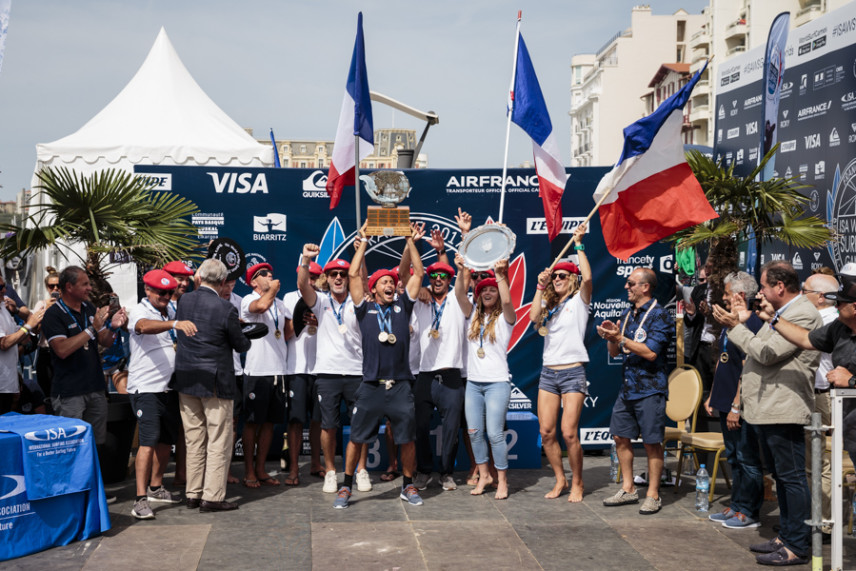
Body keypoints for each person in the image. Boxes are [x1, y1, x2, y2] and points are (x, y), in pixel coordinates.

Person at [711, 261, 821, 566]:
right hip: (768, 409)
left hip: (783, 408)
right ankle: (787, 536)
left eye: (763, 287)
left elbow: (765, 353)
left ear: (780, 287)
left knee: (792, 479)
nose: (760, 292)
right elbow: (760, 346)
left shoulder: (801, 313)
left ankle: (797, 545)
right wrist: (744, 322)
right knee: (784, 479)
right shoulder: (783, 313)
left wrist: (736, 327)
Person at [331, 222, 425, 509]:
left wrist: (409, 240)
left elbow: (418, 273)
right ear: (372, 289)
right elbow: (352, 275)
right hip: (371, 385)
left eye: (391, 282)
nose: (389, 285)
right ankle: (346, 487)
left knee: (407, 439)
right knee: (357, 438)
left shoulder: (403, 306)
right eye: (383, 282)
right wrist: (364, 241)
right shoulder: (365, 309)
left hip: (400, 385)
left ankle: (407, 485)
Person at [173, 259, 251, 512]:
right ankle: (212, 497)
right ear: (220, 283)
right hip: (216, 382)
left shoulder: (184, 301)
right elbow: (240, 345)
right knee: (218, 440)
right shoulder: (225, 307)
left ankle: (193, 494)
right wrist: (242, 333)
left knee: (194, 439)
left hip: (186, 379)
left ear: (199, 278)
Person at [597, 267, 673, 516]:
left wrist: (620, 338)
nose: (626, 287)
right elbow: (615, 352)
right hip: (628, 387)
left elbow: (651, 353)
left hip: (650, 388)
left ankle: (652, 494)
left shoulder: (660, 315)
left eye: (631, 283)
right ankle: (628, 488)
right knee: (620, 437)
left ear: (645, 287)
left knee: (652, 443)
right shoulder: (628, 314)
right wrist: (611, 337)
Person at [528, 223, 591, 502]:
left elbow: (588, 278)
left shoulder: (580, 300)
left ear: (572, 278)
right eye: (555, 277)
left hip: (573, 373)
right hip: (548, 373)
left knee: (569, 433)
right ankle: (560, 480)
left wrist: (579, 245)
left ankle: (578, 481)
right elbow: (531, 318)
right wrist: (541, 286)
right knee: (546, 432)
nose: (557, 279)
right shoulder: (550, 307)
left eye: (562, 276)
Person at [298, 249, 370, 494]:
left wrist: (363, 249)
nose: (338, 278)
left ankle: (361, 470)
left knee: (360, 424)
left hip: (356, 372)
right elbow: (301, 284)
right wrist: (305, 259)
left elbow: (364, 280)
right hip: (327, 373)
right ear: (326, 278)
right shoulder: (320, 301)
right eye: (333, 274)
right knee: (328, 425)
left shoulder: (358, 301)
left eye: (342, 274)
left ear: (349, 278)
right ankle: (330, 471)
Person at [127, 270, 198, 519]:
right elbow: (142, 327)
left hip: (169, 387)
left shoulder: (169, 310)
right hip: (146, 388)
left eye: (169, 293)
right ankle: (139, 499)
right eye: (161, 292)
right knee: (147, 442)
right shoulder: (140, 310)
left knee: (166, 441)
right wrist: (174, 324)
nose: (166, 296)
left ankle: (156, 487)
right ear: (148, 290)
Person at [41, 266, 128, 448]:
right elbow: (62, 350)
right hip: (69, 393)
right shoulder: (53, 314)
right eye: (85, 284)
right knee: (72, 446)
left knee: (97, 444)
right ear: (69, 287)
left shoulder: (88, 307)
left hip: (95, 388)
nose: (90, 288)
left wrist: (113, 326)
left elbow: (105, 341)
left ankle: (94, 477)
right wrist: (91, 330)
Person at [454, 255, 517, 500]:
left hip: (497, 384)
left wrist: (500, 275)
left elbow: (509, 299)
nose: (488, 292)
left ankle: (502, 481)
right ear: (478, 295)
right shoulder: (472, 316)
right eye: (484, 290)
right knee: (473, 432)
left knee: (495, 433)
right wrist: (462, 270)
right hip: (473, 384)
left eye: (492, 289)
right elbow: (460, 294)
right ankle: (484, 476)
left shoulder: (505, 318)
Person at [706, 271, 764, 529]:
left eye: (727, 293)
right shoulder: (730, 322)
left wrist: (736, 406)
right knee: (733, 457)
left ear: (740, 295)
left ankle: (749, 511)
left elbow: (747, 366)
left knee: (747, 457)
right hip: (724, 398)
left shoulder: (752, 325)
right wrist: (713, 393)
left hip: (740, 404)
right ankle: (737, 504)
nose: (723, 297)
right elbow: (724, 358)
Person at [412, 256, 467, 492]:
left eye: (443, 277)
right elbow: (408, 280)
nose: (437, 280)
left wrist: (462, 266)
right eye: (433, 276)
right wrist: (421, 287)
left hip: (451, 375)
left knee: (451, 428)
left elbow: (463, 285)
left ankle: (446, 473)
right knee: (420, 426)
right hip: (424, 375)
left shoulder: (457, 299)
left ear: (450, 280)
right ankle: (424, 471)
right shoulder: (420, 300)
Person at [240, 262, 288, 488]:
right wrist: (273, 290)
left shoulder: (279, 304)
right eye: (263, 274)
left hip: (278, 371)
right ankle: (249, 470)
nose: (269, 276)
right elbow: (260, 307)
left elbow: (287, 333)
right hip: (257, 371)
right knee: (252, 423)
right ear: (253, 282)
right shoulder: (248, 300)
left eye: (271, 273)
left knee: (270, 423)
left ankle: (261, 469)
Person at [799, 272, 840, 536]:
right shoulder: (820, 320)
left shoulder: (828, 323)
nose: (801, 296)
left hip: (822, 395)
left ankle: (823, 522)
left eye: (805, 292)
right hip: (811, 394)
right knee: (810, 462)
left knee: (820, 462)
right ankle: (812, 518)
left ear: (821, 297)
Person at [282, 261, 326, 484]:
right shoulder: (289, 298)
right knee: (296, 420)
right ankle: (293, 469)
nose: (312, 281)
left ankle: (316, 463)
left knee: (318, 419)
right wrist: (300, 319)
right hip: (296, 368)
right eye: (308, 276)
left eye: (316, 277)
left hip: (321, 368)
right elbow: (285, 334)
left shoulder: (326, 300)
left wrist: (321, 322)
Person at [0, 274, 44, 414]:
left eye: (4, 286)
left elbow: (21, 335)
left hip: (7, 384)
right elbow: (4, 343)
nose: (4, 291)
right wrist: (28, 327)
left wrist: (20, 313)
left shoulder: (4, 307)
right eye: (0, 287)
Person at [218, 278, 244, 485]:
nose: (228, 288)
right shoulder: (207, 303)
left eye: (232, 283)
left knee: (232, 424)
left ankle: (225, 469)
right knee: (212, 424)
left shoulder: (240, 302)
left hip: (235, 371)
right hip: (214, 373)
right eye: (224, 283)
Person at [32, 267, 60, 410]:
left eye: (58, 286)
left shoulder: (68, 305)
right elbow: (35, 329)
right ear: (47, 288)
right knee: (48, 392)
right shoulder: (42, 304)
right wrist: (46, 310)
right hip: (46, 352)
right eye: (51, 286)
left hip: (63, 352)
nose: (55, 288)